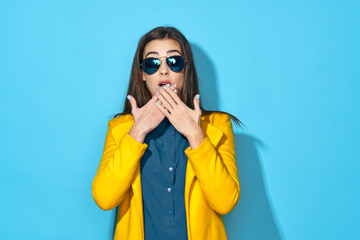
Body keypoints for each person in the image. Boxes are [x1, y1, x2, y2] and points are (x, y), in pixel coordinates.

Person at [92, 26, 242, 240]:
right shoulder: (121, 128)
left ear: (185, 70)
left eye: (174, 62)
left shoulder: (217, 125)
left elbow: (225, 201)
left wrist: (194, 132)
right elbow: (104, 198)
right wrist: (138, 130)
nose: (163, 71)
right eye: (152, 63)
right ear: (143, 74)